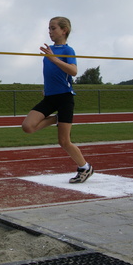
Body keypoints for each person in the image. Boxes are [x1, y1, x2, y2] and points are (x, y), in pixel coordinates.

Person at [21, 16, 93, 184]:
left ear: (64, 30)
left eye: (53, 28)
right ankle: (57, 119)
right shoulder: (49, 50)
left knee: (63, 141)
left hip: (64, 98)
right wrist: (47, 88)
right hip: (49, 97)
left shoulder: (68, 50)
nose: (50, 31)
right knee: (27, 127)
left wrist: (54, 58)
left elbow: (73, 71)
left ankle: (85, 167)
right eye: (49, 28)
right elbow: (51, 73)